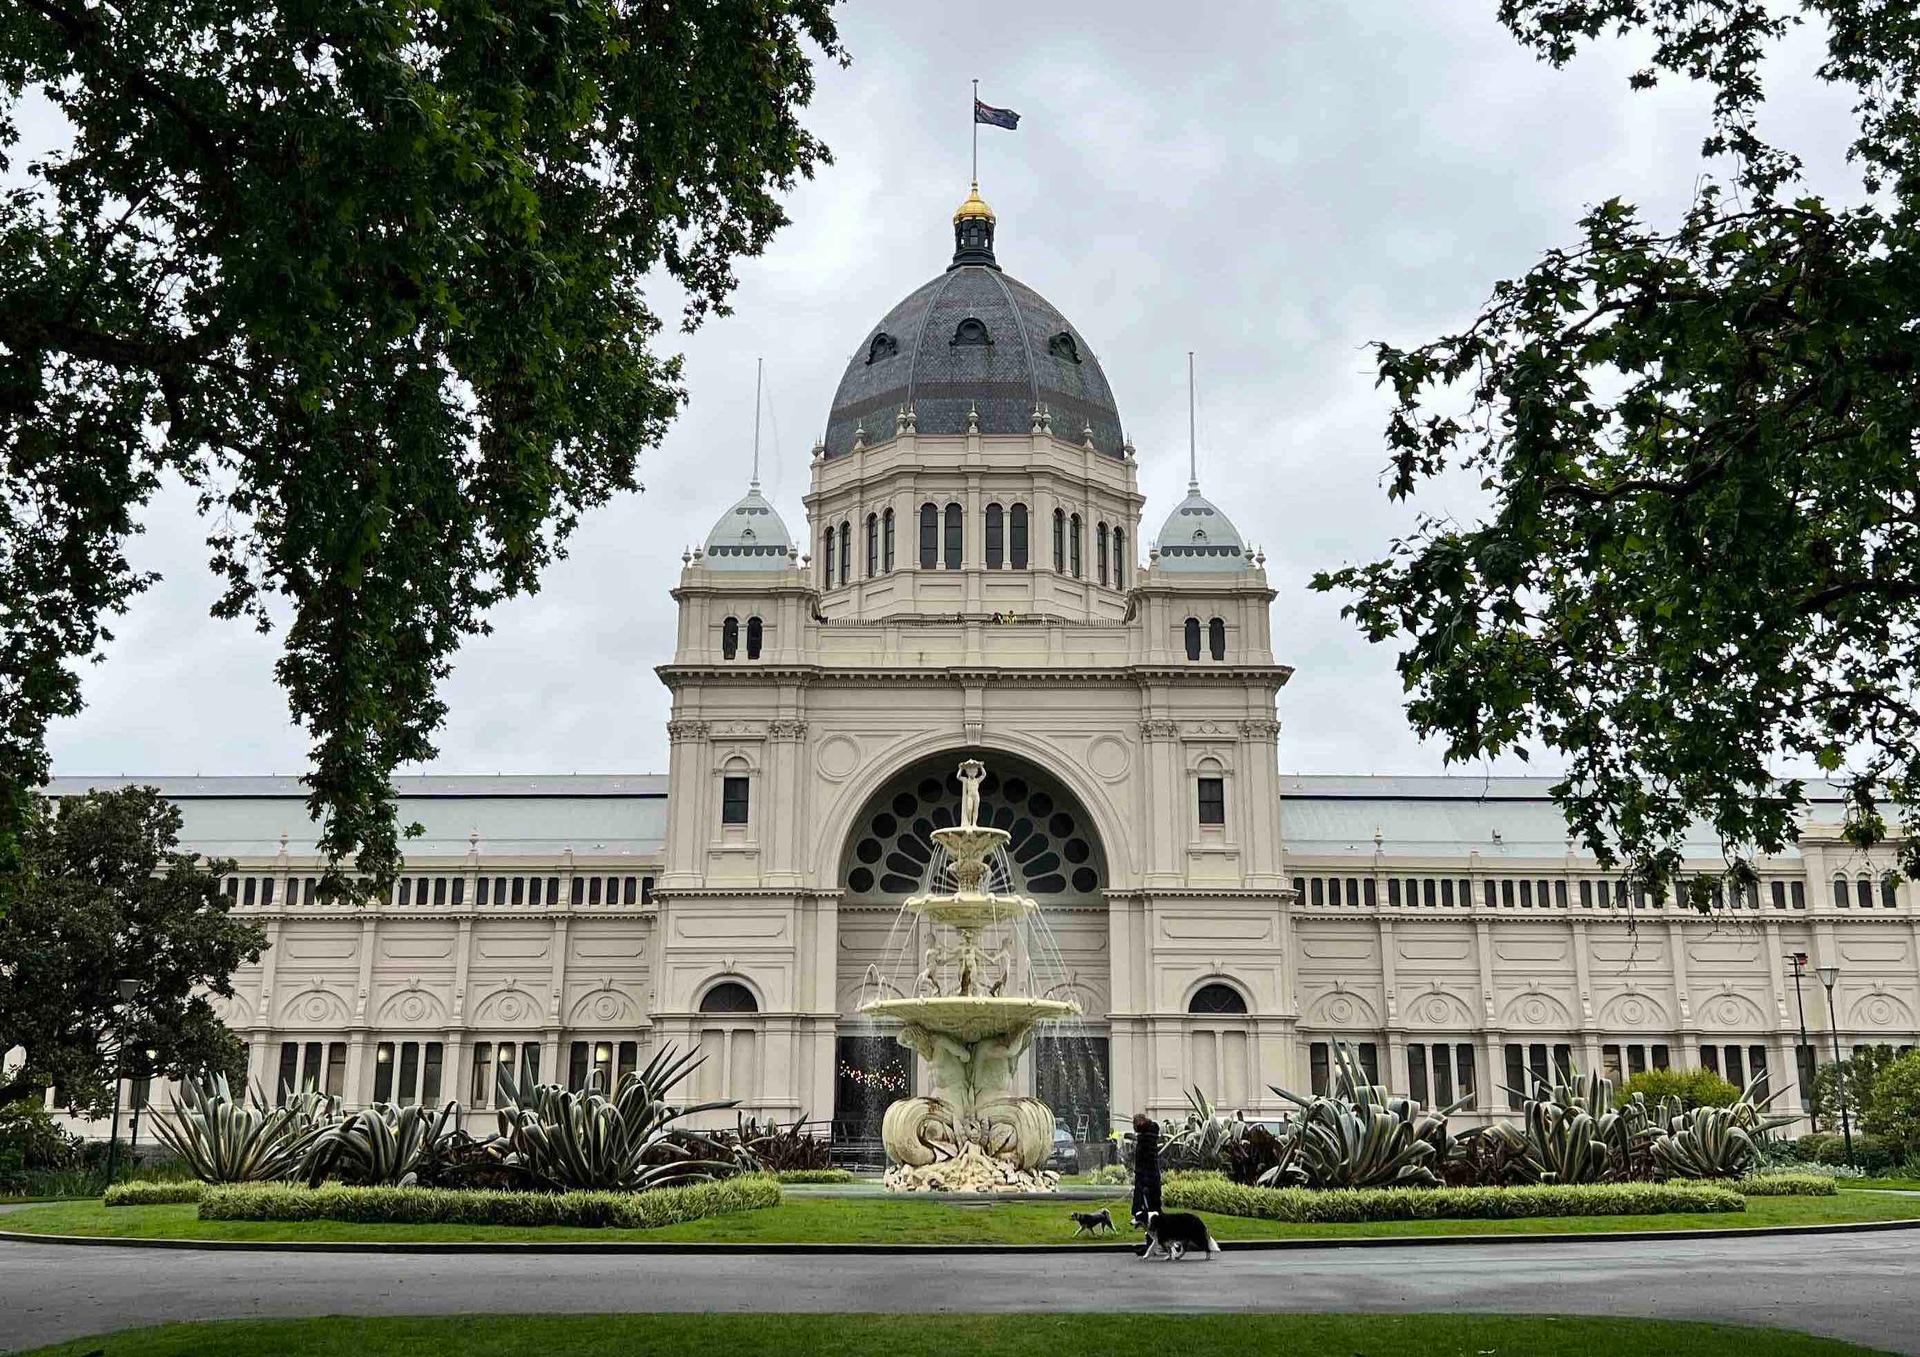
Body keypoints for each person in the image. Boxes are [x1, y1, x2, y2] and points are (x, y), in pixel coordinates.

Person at [1130, 1111, 1162, 1225]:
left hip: (1145, 1176)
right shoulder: (1151, 1136)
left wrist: (1140, 1175)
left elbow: (1143, 1160)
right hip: (1152, 1175)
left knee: (1146, 1202)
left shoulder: (1144, 1141)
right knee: (1154, 1203)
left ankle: (1146, 1222)